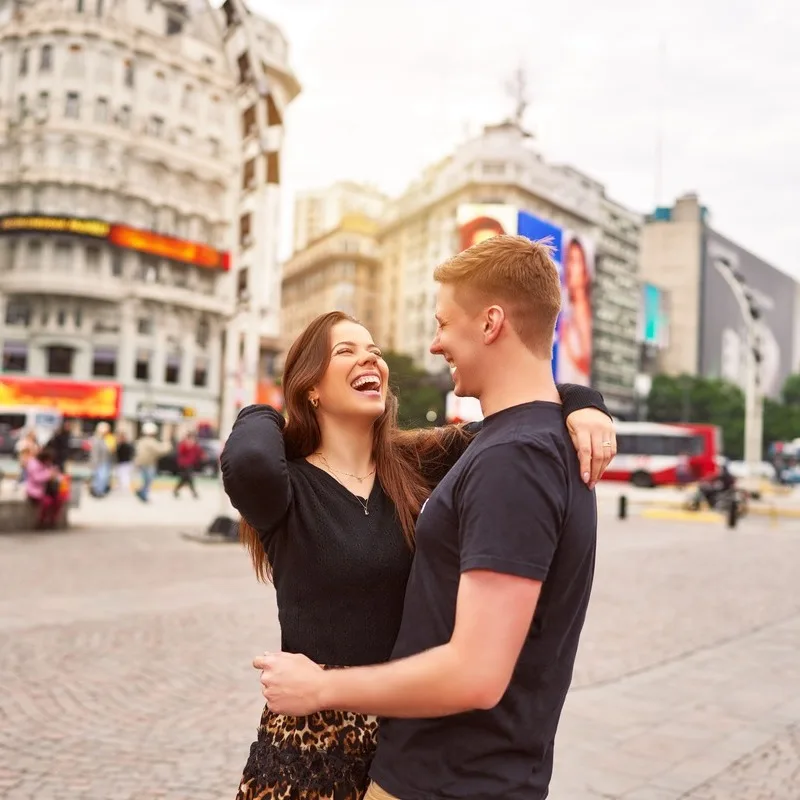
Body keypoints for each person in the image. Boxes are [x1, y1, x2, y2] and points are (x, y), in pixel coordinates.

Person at [253, 235, 608, 800]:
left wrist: (322, 688)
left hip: (446, 778)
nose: (436, 343)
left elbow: (476, 673)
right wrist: (583, 400)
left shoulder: (514, 459)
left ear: (491, 323)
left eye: (443, 323)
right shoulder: (517, 442)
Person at [24, 447, 65, 529]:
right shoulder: (33, 464)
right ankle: (41, 521)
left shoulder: (47, 464)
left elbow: (55, 474)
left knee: (59, 499)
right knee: (47, 502)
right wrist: (49, 475)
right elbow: (36, 478)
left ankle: (53, 520)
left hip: (47, 490)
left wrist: (56, 475)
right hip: (35, 491)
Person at [133, 422, 170, 503]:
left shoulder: (141, 441)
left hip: (143, 464)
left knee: (146, 480)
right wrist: (167, 444)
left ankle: (142, 493)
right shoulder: (151, 441)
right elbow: (161, 450)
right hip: (149, 464)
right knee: (148, 480)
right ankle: (143, 494)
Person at [174, 431, 202, 499]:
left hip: (191, 463)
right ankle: (194, 493)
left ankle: (176, 490)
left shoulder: (195, 445)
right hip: (184, 464)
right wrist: (187, 445)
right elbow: (180, 452)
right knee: (189, 478)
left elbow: (198, 453)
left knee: (184, 478)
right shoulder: (183, 444)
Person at [89, 422, 113, 497]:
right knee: (100, 477)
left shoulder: (105, 439)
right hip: (100, 462)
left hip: (105, 461)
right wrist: (95, 464)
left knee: (103, 477)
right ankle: (98, 491)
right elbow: (95, 453)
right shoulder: (97, 439)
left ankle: (99, 491)